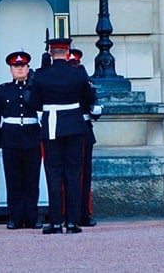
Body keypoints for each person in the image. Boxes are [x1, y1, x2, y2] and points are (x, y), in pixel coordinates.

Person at [30, 36, 94, 235]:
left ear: (50, 53)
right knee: (74, 174)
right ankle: (73, 222)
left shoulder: (41, 74)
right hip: (74, 125)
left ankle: (56, 222)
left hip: (52, 126)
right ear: (67, 53)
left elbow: (34, 102)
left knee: (54, 174)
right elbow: (88, 98)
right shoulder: (79, 73)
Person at [0, 50, 42, 230]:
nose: (19, 69)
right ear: (11, 69)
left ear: (28, 68)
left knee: (32, 180)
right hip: (10, 138)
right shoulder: (3, 90)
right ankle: (15, 217)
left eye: (23, 66)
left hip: (32, 136)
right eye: (16, 66)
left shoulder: (35, 88)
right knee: (13, 180)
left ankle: (32, 217)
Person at [68, 47, 101, 227]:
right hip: (69, 128)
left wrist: (96, 109)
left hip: (84, 130)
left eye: (76, 64)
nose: (75, 67)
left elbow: (92, 104)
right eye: (71, 64)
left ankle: (83, 212)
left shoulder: (85, 82)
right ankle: (68, 211)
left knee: (84, 175)